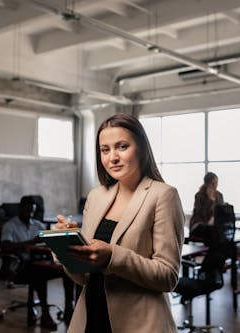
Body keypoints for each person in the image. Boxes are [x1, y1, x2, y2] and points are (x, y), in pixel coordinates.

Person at [55, 113, 185, 333]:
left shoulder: (163, 195)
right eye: (105, 150)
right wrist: (66, 248)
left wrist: (113, 257)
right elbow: (82, 276)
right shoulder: (96, 197)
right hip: (91, 318)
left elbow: (168, 277)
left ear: (142, 149)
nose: (112, 157)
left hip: (140, 324)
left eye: (122, 146)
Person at [0, 196, 75, 330]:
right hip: (18, 267)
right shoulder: (10, 225)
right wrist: (30, 243)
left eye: (33, 211)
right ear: (20, 209)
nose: (31, 214)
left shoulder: (38, 225)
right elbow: (5, 247)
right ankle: (45, 313)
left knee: (66, 268)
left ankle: (69, 307)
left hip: (39, 263)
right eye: (28, 210)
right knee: (37, 272)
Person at [189, 171, 224, 239]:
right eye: (213, 183)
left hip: (214, 223)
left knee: (221, 231)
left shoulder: (219, 195)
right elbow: (201, 213)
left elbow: (221, 211)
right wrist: (210, 201)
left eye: (216, 183)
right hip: (199, 223)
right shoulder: (199, 195)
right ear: (207, 184)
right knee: (211, 231)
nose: (215, 185)